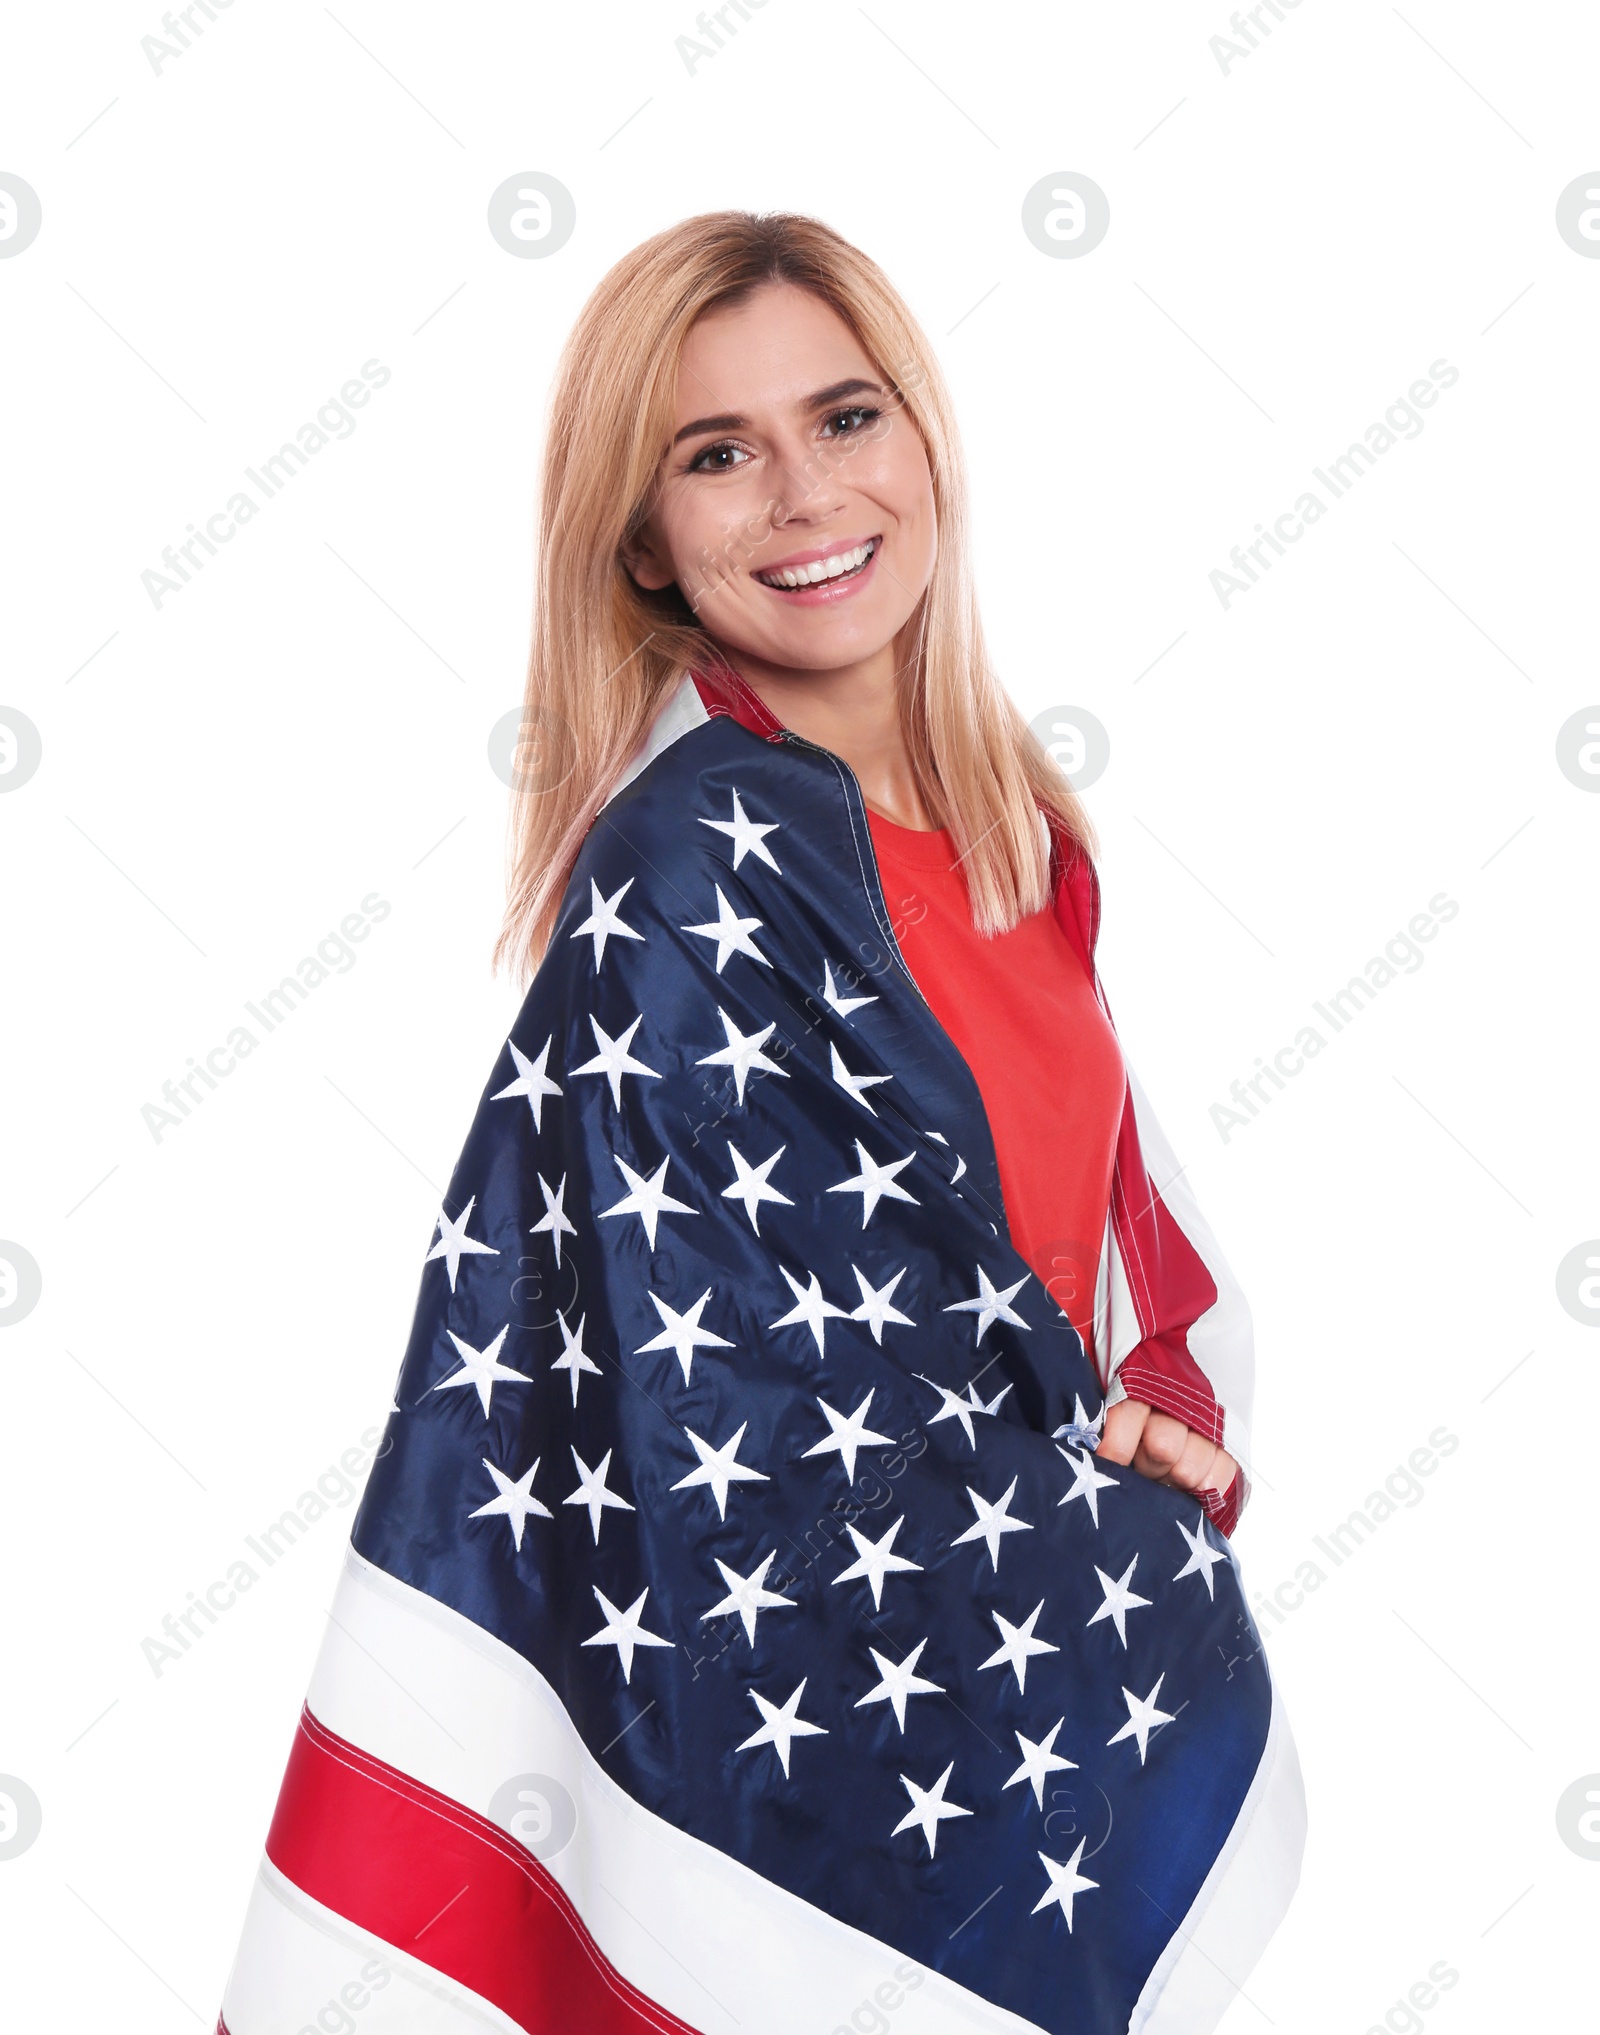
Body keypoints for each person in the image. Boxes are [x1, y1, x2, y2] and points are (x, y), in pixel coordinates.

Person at [220, 211, 1304, 2035]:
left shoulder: (1020, 842)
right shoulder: (691, 863)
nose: (805, 495)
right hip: (824, 1713)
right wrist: (1076, 1458)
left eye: (847, 418)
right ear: (642, 539)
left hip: (1015, 1674)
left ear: (928, 444)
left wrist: (1148, 1409)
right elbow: (737, 1375)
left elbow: (1071, 1247)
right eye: (717, 455)